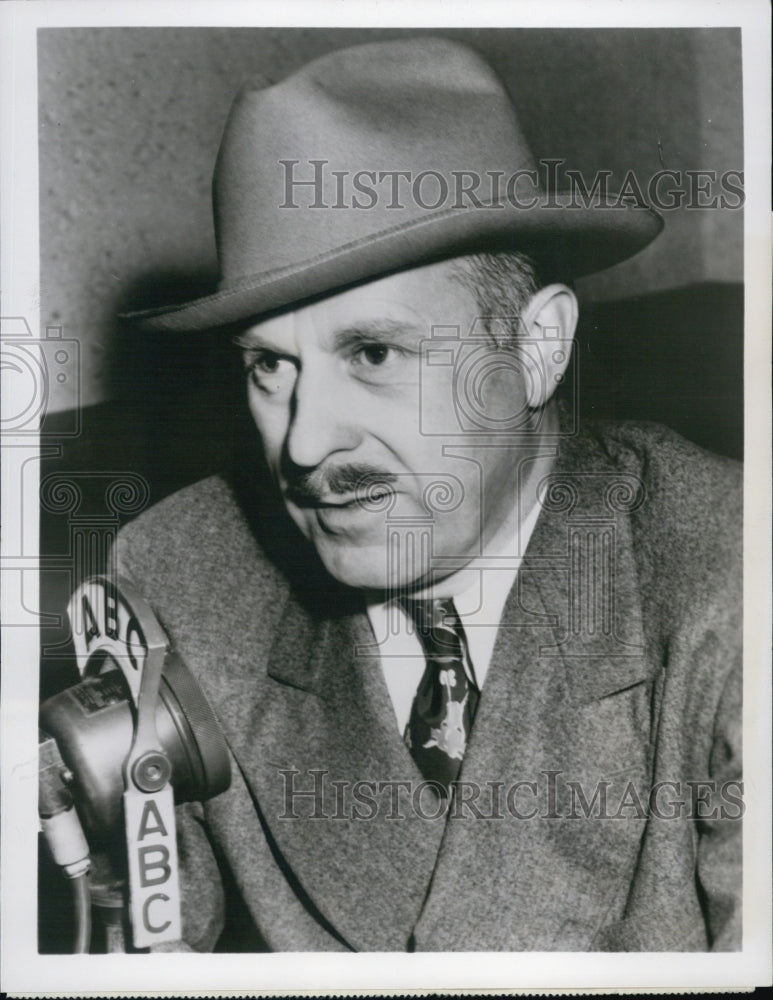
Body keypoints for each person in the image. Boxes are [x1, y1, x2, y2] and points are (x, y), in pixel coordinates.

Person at [117, 37, 742, 951]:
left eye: (373, 354)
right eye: (268, 366)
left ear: (535, 348)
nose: (304, 440)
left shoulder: (730, 580)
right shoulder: (185, 582)